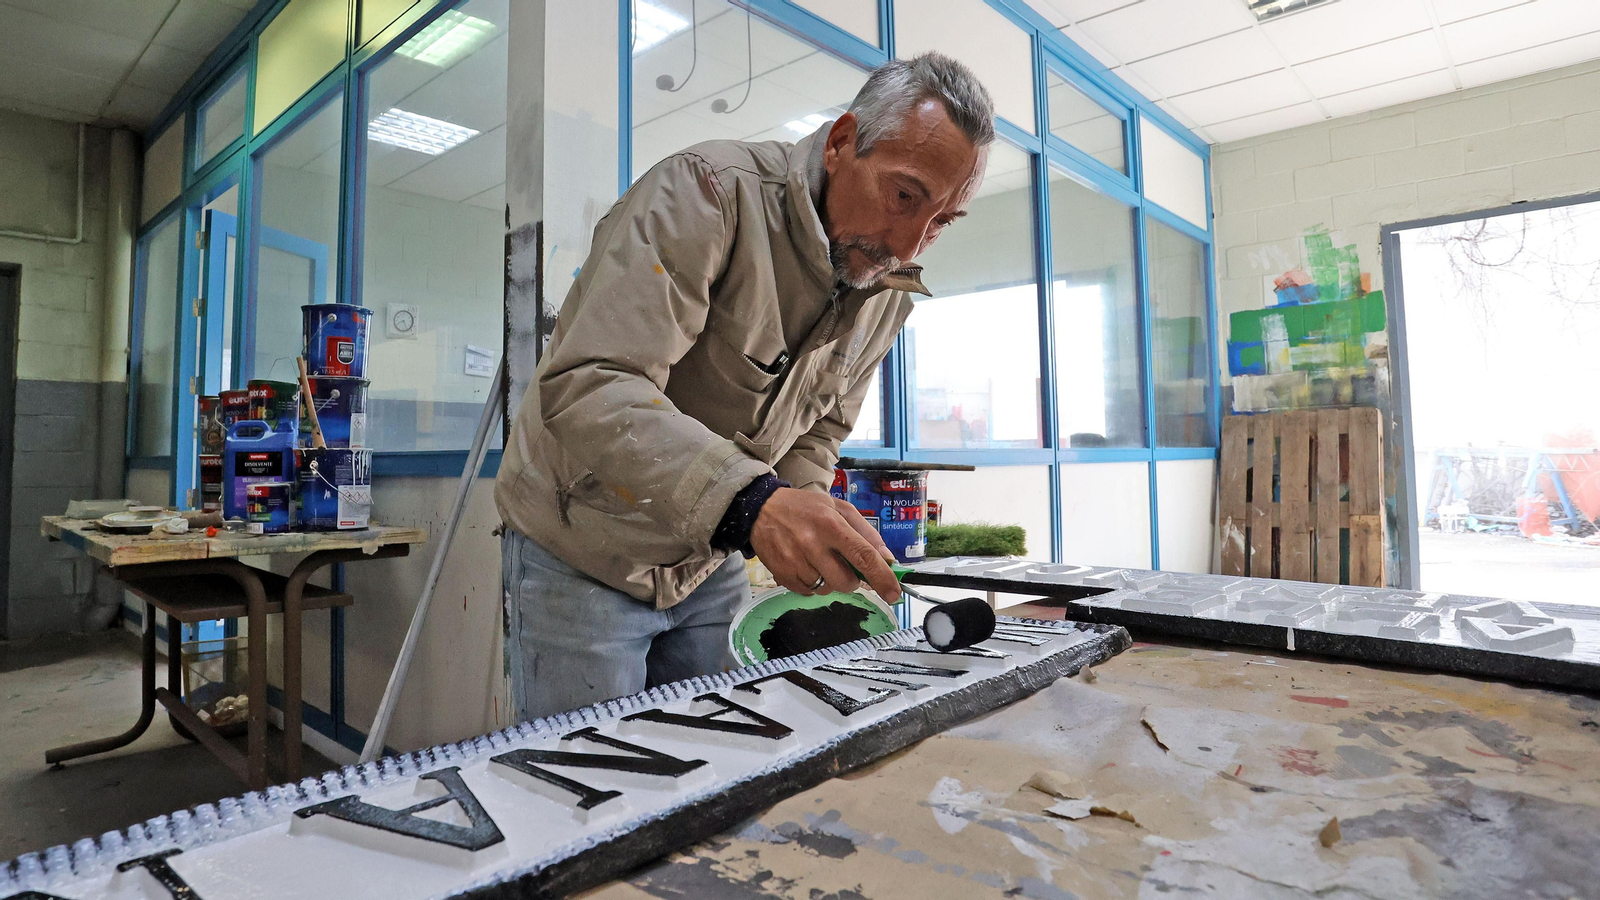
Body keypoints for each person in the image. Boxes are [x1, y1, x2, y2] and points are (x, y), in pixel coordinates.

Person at [495, 52, 995, 720]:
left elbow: (818, 430)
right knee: (593, 788)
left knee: (721, 765)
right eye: (904, 197)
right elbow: (589, 384)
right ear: (843, 143)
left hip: (707, 559)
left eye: (940, 220)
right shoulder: (707, 194)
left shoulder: (885, 290)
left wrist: (807, 510)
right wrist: (756, 504)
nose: (909, 244)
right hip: (582, 551)